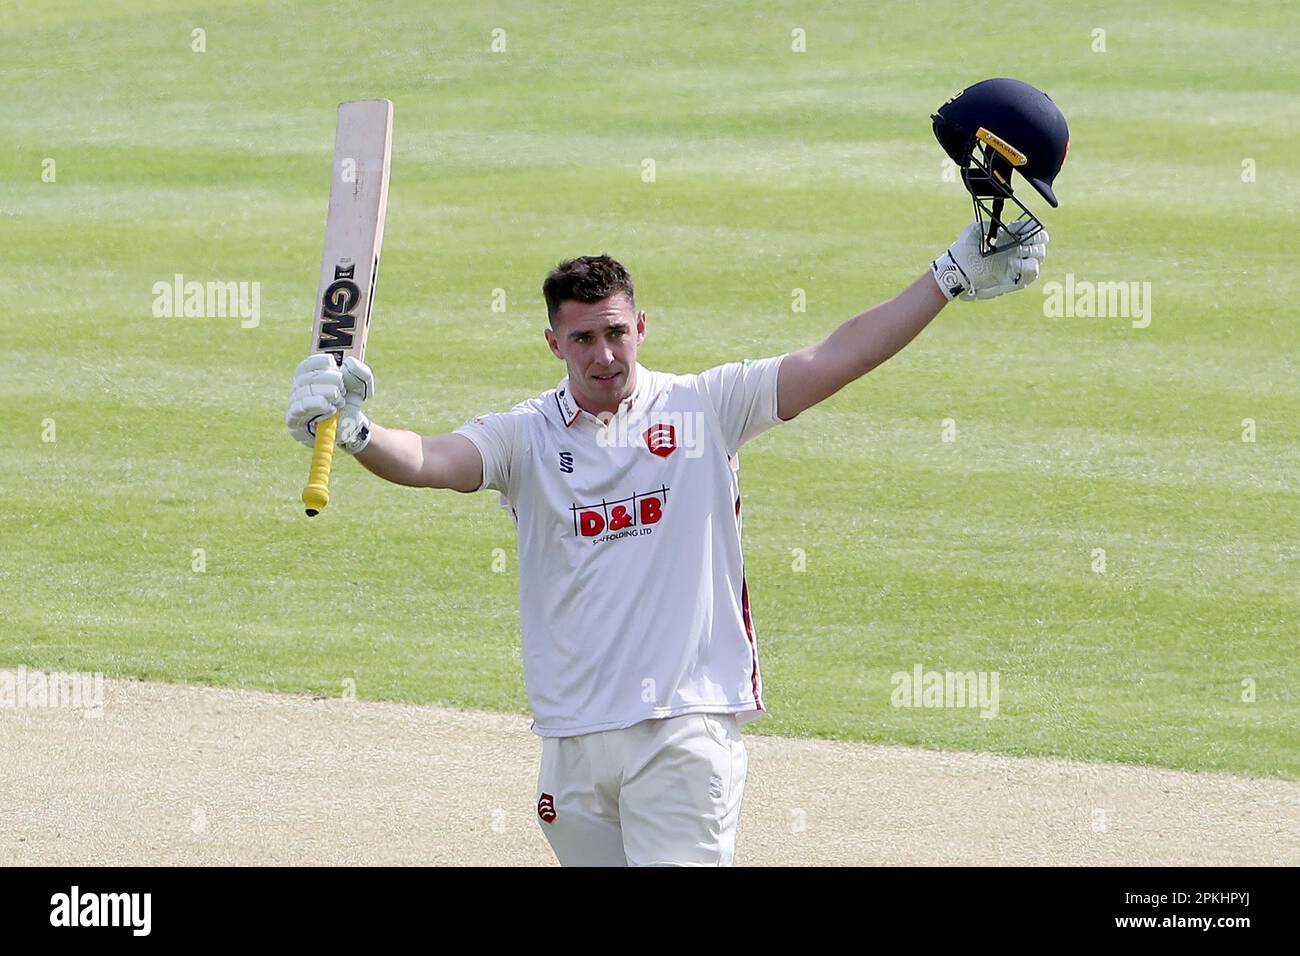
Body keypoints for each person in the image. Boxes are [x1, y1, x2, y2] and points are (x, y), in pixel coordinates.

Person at [285, 224, 1048, 865]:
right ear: (553, 342)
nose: (605, 355)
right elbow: (434, 460)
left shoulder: (705, 407)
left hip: (683, 731)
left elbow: (836, 357)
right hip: (573, 738)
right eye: (583, 338)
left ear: (641, 327)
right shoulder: (524, 434)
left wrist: (946, 278)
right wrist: (357, 433)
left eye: (617, 332)